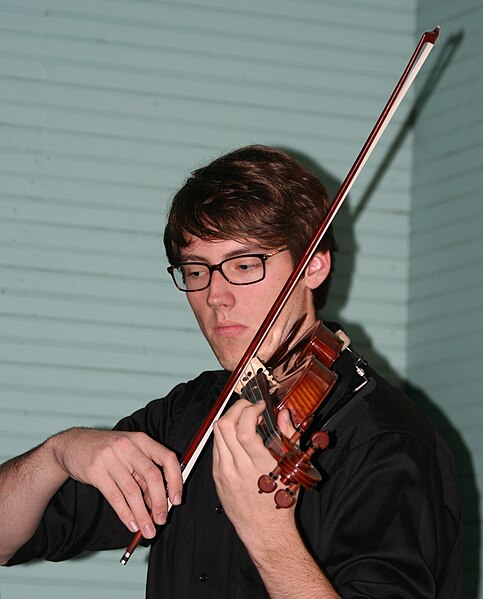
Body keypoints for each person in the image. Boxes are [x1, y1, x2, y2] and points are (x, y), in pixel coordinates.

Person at [0, 145, 462, 598]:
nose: (215, 296)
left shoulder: (385, 439)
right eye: (197, 270)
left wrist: (269, 536)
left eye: (244, 265)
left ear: (313, 265)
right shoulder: (189, 413)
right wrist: (56, 454)